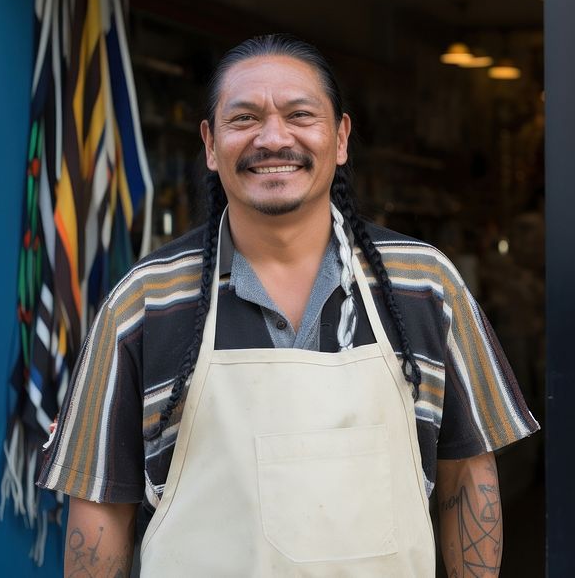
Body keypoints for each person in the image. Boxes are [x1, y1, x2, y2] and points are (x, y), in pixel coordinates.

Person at [38, 34, 539, 576]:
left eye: (300, 114)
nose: (273, 138)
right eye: (244, 118)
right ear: (210, 144)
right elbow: (100, 506)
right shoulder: (145, 302)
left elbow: (468, 473)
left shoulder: (423, 285)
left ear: (341, 138)